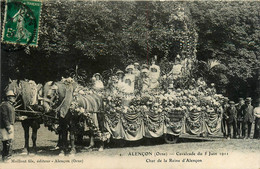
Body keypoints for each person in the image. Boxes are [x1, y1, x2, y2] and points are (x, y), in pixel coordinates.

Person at [0, 90, 16, 161]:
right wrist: (8, 127)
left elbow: (11, 116)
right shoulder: (4, 105)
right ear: (9, 98)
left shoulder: (10, 105)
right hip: (5, 127)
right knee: (6, 141)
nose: (14, 98)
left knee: (9, 141)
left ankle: (7, 157)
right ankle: (5, 157)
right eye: (13, 97)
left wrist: (20, 118)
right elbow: (5, 117)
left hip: (10, 125)